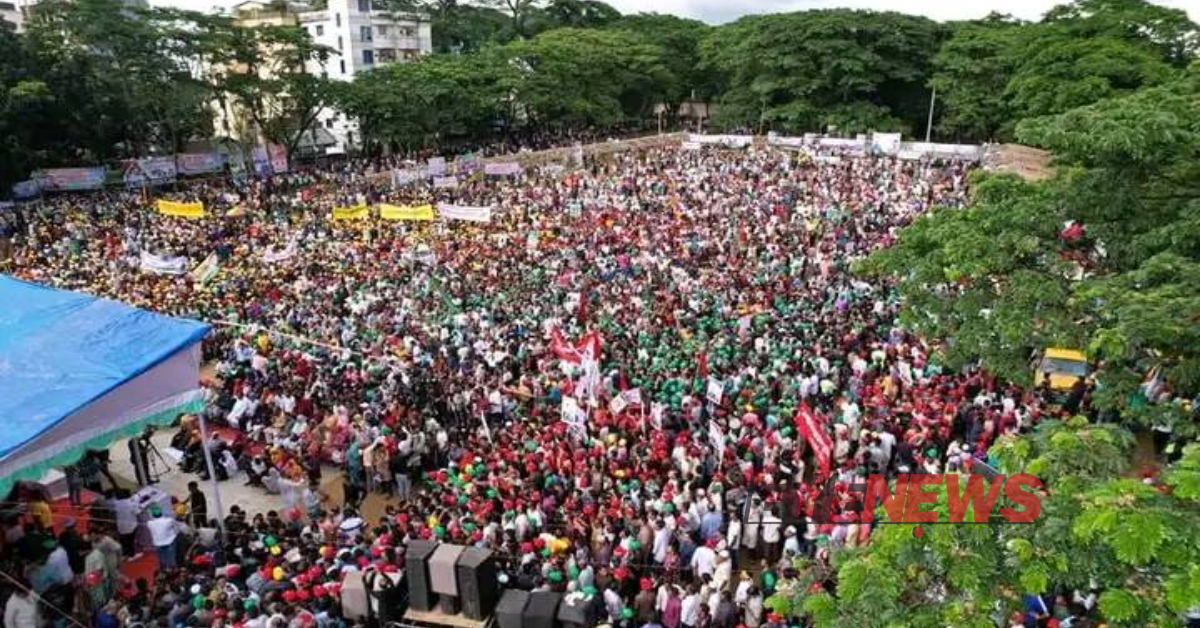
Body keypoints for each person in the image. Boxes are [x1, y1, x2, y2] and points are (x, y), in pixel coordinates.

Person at [146, 504, 180, 572]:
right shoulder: (169, 520)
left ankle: (164, 570)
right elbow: (176, 529)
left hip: (158, 543)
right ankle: (174, 570)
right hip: (170, 542)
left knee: (162, 559)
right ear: (161, 513)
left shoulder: (149, 523)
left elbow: (150, 518)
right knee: (171, 558)